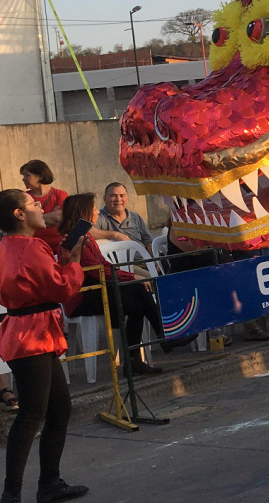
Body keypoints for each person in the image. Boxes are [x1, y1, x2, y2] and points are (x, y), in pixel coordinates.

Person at [0, 189, 90, 503]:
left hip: (29, 333)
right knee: (31, 414)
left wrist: (61, 262)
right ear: (18, 214)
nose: (41, 207)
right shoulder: (28, 248)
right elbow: (62, 287)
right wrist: (74, 262)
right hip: (31, 336)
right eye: (33, 204)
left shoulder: (9, 245)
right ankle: (12, 492)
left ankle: (49, 483)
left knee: (57, 408)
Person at [58, 194, 165, 376]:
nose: (97, 212)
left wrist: (129, 277)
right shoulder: (75, 239)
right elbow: (97, 270)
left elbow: (105, 265)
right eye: (93, 209)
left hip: (99, 290)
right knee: (138, 291)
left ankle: (135, 360)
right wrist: (130, 278)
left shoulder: (87, 236)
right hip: (83, 295)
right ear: (83, 213)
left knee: (137, 302)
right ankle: (162, 339)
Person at [20, 161, 128, 251]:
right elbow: (24, 222)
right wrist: (50, 217)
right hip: (36, 247)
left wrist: (34, 219)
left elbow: (60, 217)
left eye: (27, 175)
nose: (23, 179)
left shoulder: (59, 195)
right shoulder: (24, 198)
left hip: (60, 247)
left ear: (40, 176)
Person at [95, 183, 153, 251]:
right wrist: (115, 235)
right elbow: (87, 233)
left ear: (127, 198)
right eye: (113, 196)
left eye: (122, 196)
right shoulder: (99, 217)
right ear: (105, 199)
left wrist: (155, 261)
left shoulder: (136, 217)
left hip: (143, 259)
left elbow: (148, 243)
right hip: (118, 261)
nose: (118, 199)